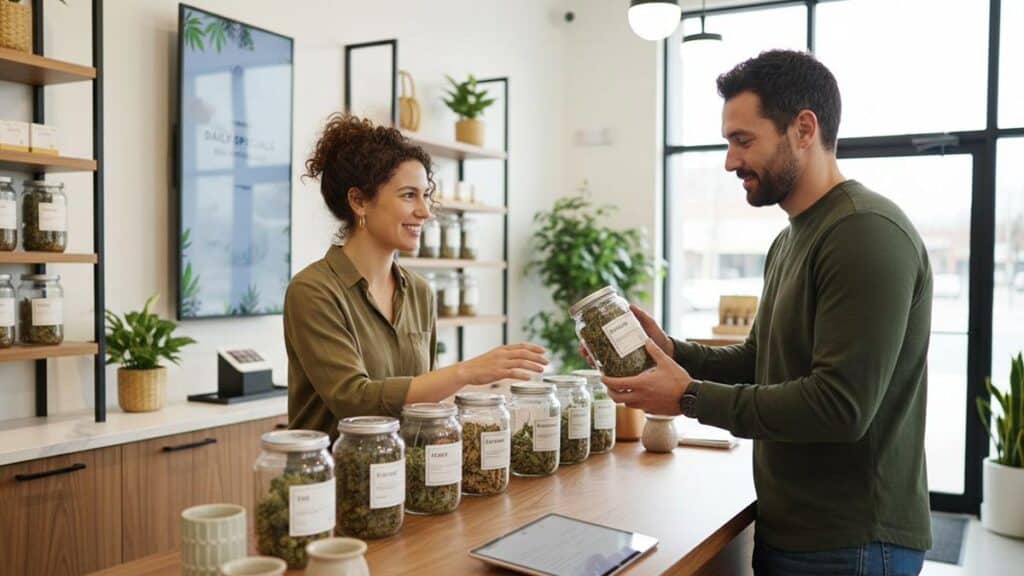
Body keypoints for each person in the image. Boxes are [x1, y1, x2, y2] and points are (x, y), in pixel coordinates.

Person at [598, 50, 933, 575]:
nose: (730, 161)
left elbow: (840, 406)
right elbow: (762, 360)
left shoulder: (865, 233)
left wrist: (687, 396)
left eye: (743, 140)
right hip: (795, 530)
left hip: (852, 543)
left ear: (803, 129)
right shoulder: (791, 239)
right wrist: (672, 351)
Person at [285, 114, 547, 436]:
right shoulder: (313, 291)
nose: (425, 211)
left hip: (408, 474)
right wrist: (467, 371)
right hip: (335, 480)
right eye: (409, 195)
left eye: (426, 195)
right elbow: (356, 403)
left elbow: (424, 401)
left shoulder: (420, 292)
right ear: (359, 201)